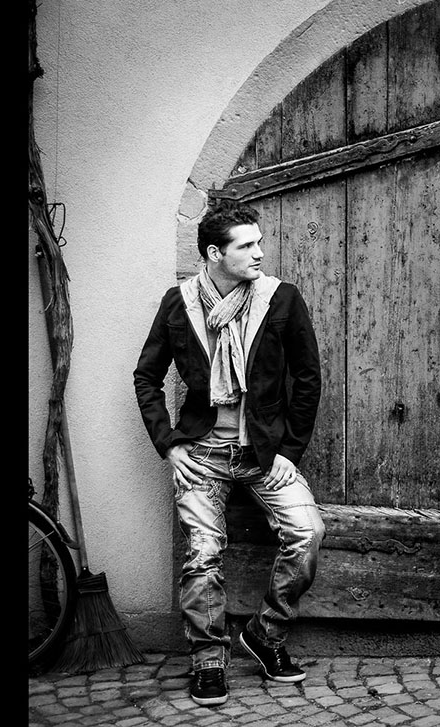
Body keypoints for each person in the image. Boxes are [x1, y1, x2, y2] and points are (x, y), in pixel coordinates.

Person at [134, 200, 325, 706]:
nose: (260, 252)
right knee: (203, 555)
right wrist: (169, 444)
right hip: (202, 450)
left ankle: (265, 635)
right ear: (215, 253)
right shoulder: (179, 303)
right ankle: (208, 659)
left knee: (308, 533)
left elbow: (307, 379)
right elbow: (146, 377)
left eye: (259, 242)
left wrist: (289, 451)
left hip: (264, 453)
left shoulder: (279, 299)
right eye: (247, 245)